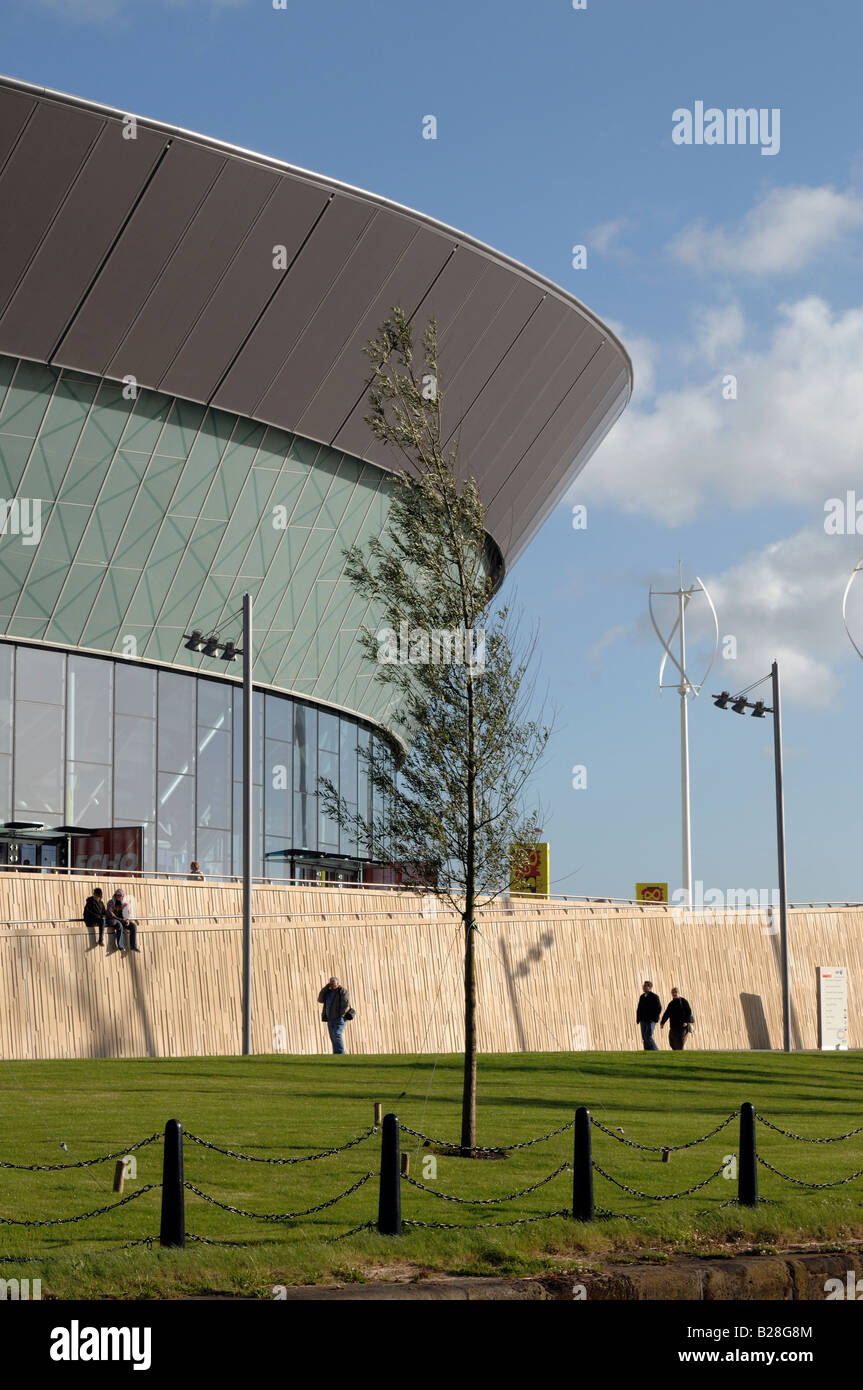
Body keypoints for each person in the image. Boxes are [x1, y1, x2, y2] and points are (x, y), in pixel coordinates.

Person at [317, 976, 352, 1054]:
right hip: (330, 1018)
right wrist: (325, 988)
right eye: (330, 983)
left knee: (337, 1034)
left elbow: (346, 1003)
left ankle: (341, 1053)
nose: (332, 985)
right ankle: (336, 1053)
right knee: (332, 1036)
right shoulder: (328, 992)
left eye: (333, 983)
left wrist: (340, 1014)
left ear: (337, 983)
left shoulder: (342, 991)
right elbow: (320, 999)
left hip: (339, 1018)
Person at [636, 980, 662, 1050]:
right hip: (643, 1020)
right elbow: (639, 1008)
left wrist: (654, 1018)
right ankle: (647, 1051)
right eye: (643, 986)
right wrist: (638, 1018)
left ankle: (656, 1050)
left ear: (650, 987)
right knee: (644, 1037)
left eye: (645, 986)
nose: (643, 987)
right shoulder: (642, 997)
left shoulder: (654, 997)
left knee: (648, 1036)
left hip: (651, 1020)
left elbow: (659, 1008)